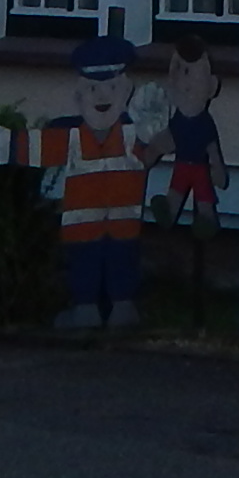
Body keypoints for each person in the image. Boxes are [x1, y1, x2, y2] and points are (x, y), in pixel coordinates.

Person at [35, 34, 153, 333]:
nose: (102, 98)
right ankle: (94, 308)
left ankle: (116, 307)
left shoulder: (131, 131)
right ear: (80, 94)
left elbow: (153, 150)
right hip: (87, 218)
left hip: (111, 216)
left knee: (118, 256)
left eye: (111, 88)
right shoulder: (72, 133)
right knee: (90, 258)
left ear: (125, 91)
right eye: (93, 89)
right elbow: (37, 149)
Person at [154, 46, 229, 304]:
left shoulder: (205, 122)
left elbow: (213, 149)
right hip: (181, 166)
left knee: (204, 196)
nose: (186, 83)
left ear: (211, 86)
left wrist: (218, 169)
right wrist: (150, 153)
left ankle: (207, 221)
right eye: (181, 73)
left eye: (193, 75)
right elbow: (166, 140)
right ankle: (169, 213)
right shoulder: (177, 120)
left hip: (199, 168)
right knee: (175, 191)